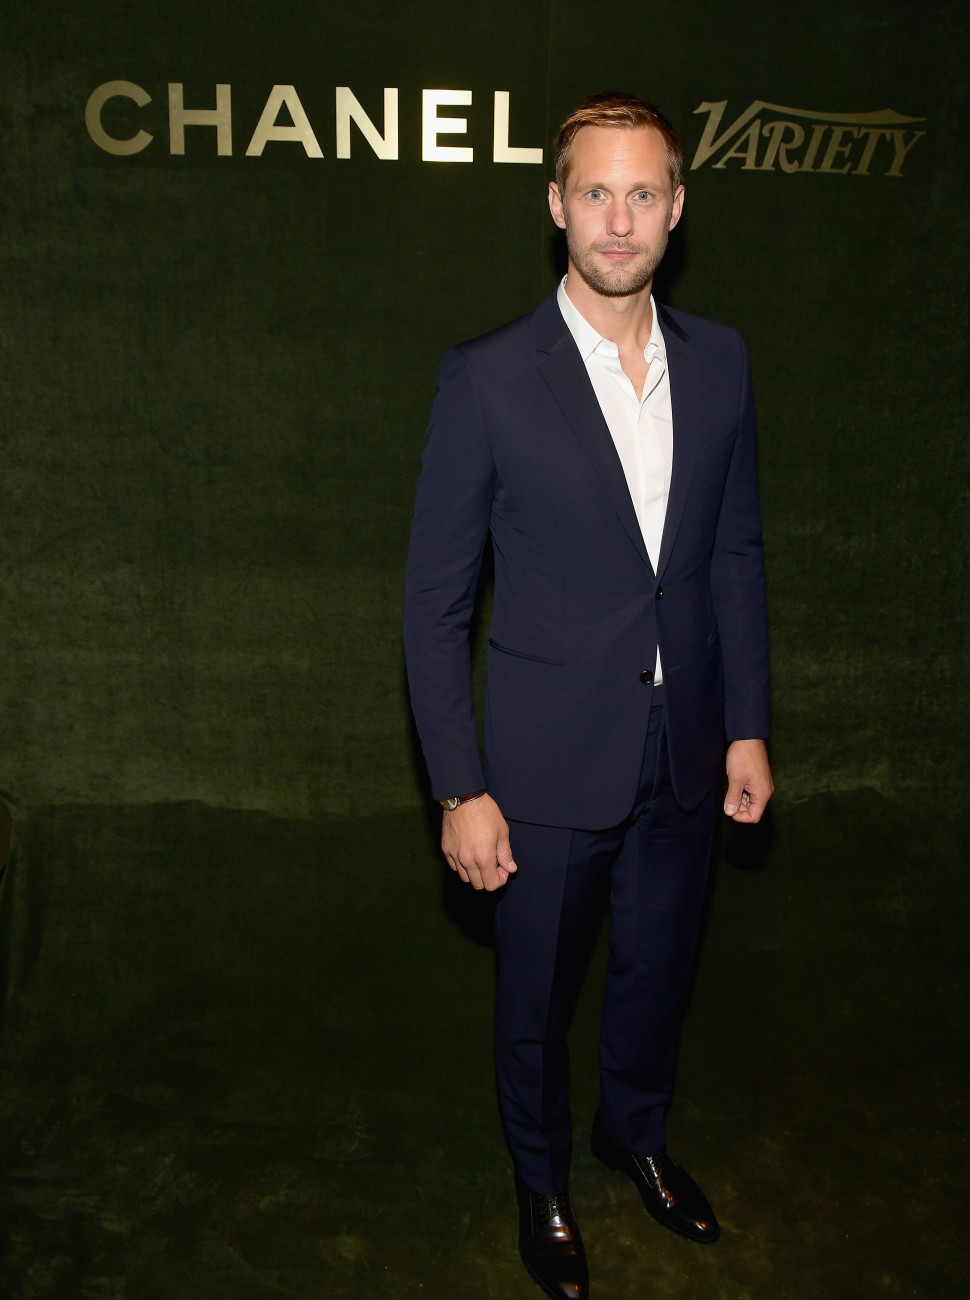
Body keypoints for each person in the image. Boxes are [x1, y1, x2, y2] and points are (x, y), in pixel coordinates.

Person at [403, 92, 773, 1300]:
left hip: (687, 742)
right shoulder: (488, 377)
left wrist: (747, 722)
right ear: (556, 204)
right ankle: (542, 1176)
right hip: (545, 756)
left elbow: (732, 553)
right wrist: (460, 785)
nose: (620, 220)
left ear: (678, 206)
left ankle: (636, 1132)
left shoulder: (719, 360)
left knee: (659, 967)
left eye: (643, 193)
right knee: (534, 994)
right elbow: (434, 605)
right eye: (595, 193)